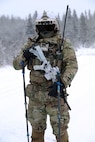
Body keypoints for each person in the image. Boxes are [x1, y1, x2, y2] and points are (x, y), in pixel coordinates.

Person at [13, 11, 78, 142]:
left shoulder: (63, 43)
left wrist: (62, 82)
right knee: (36, 129)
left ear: (55, 27)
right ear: (37, 28)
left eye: (48, 26)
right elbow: (16, 65)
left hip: (56, 94)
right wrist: (24, 56)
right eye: (42, 26)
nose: (45, 30)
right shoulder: (31, 44)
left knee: (60, 130)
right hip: (35, 96)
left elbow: (72, 65)